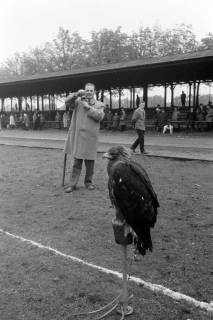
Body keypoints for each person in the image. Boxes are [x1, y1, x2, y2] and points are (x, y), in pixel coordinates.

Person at [64, 83, 104, 193]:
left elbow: (99, 117)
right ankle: (72, 184)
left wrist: (88, 107)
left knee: (90, 162)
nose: (89, 92)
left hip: (91, 137)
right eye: (87, 90)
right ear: (84, 91)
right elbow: (67, 102)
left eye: (91, 90)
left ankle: (88, 182)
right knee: (77, 162)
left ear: (94, 92)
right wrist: (76, 94)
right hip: (79, 137)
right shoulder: (77, 102)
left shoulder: (99, 104)